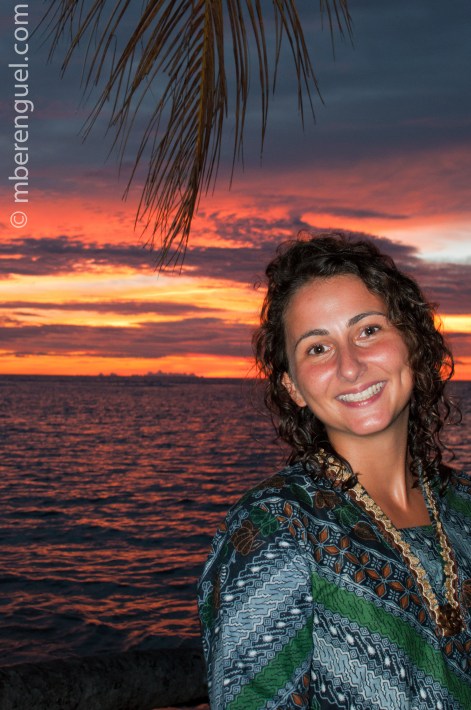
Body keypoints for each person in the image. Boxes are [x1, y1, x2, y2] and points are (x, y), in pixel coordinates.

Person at [197, 232, 471, 709]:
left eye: (368, 331)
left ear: (412, 341)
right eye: (318, 348)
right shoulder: (276, 527)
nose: (350, 366)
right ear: (293, 387)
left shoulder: (462, 503)